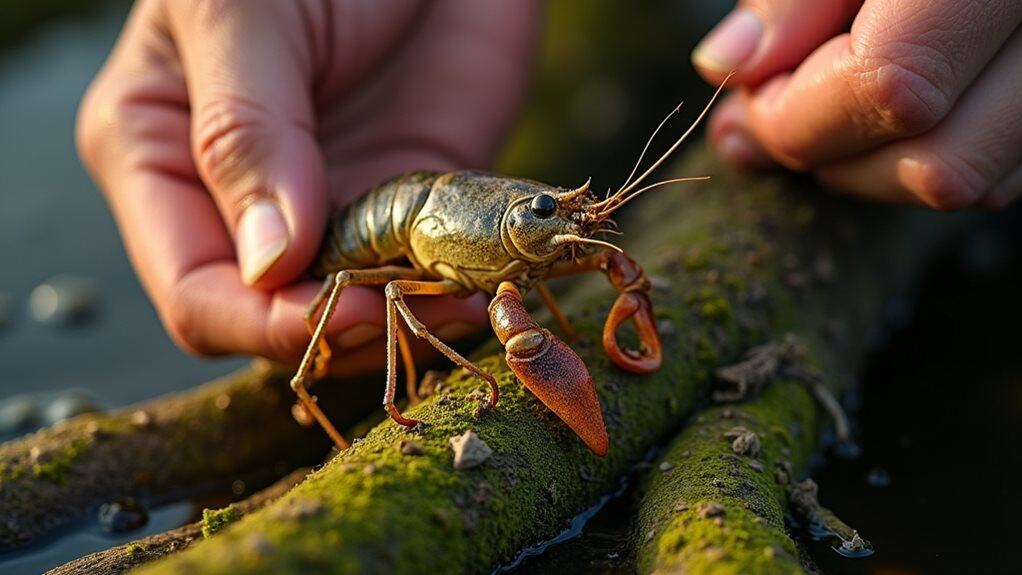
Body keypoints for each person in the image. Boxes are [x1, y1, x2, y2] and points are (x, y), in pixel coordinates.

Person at [77, 0, 1020, 369]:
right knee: (399, 316)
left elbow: (575, 245)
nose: (572, 219)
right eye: (550, 207)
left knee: (584, 240)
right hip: (364, 234)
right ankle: (375, 399)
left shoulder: (545, 227)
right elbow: (494, 302)